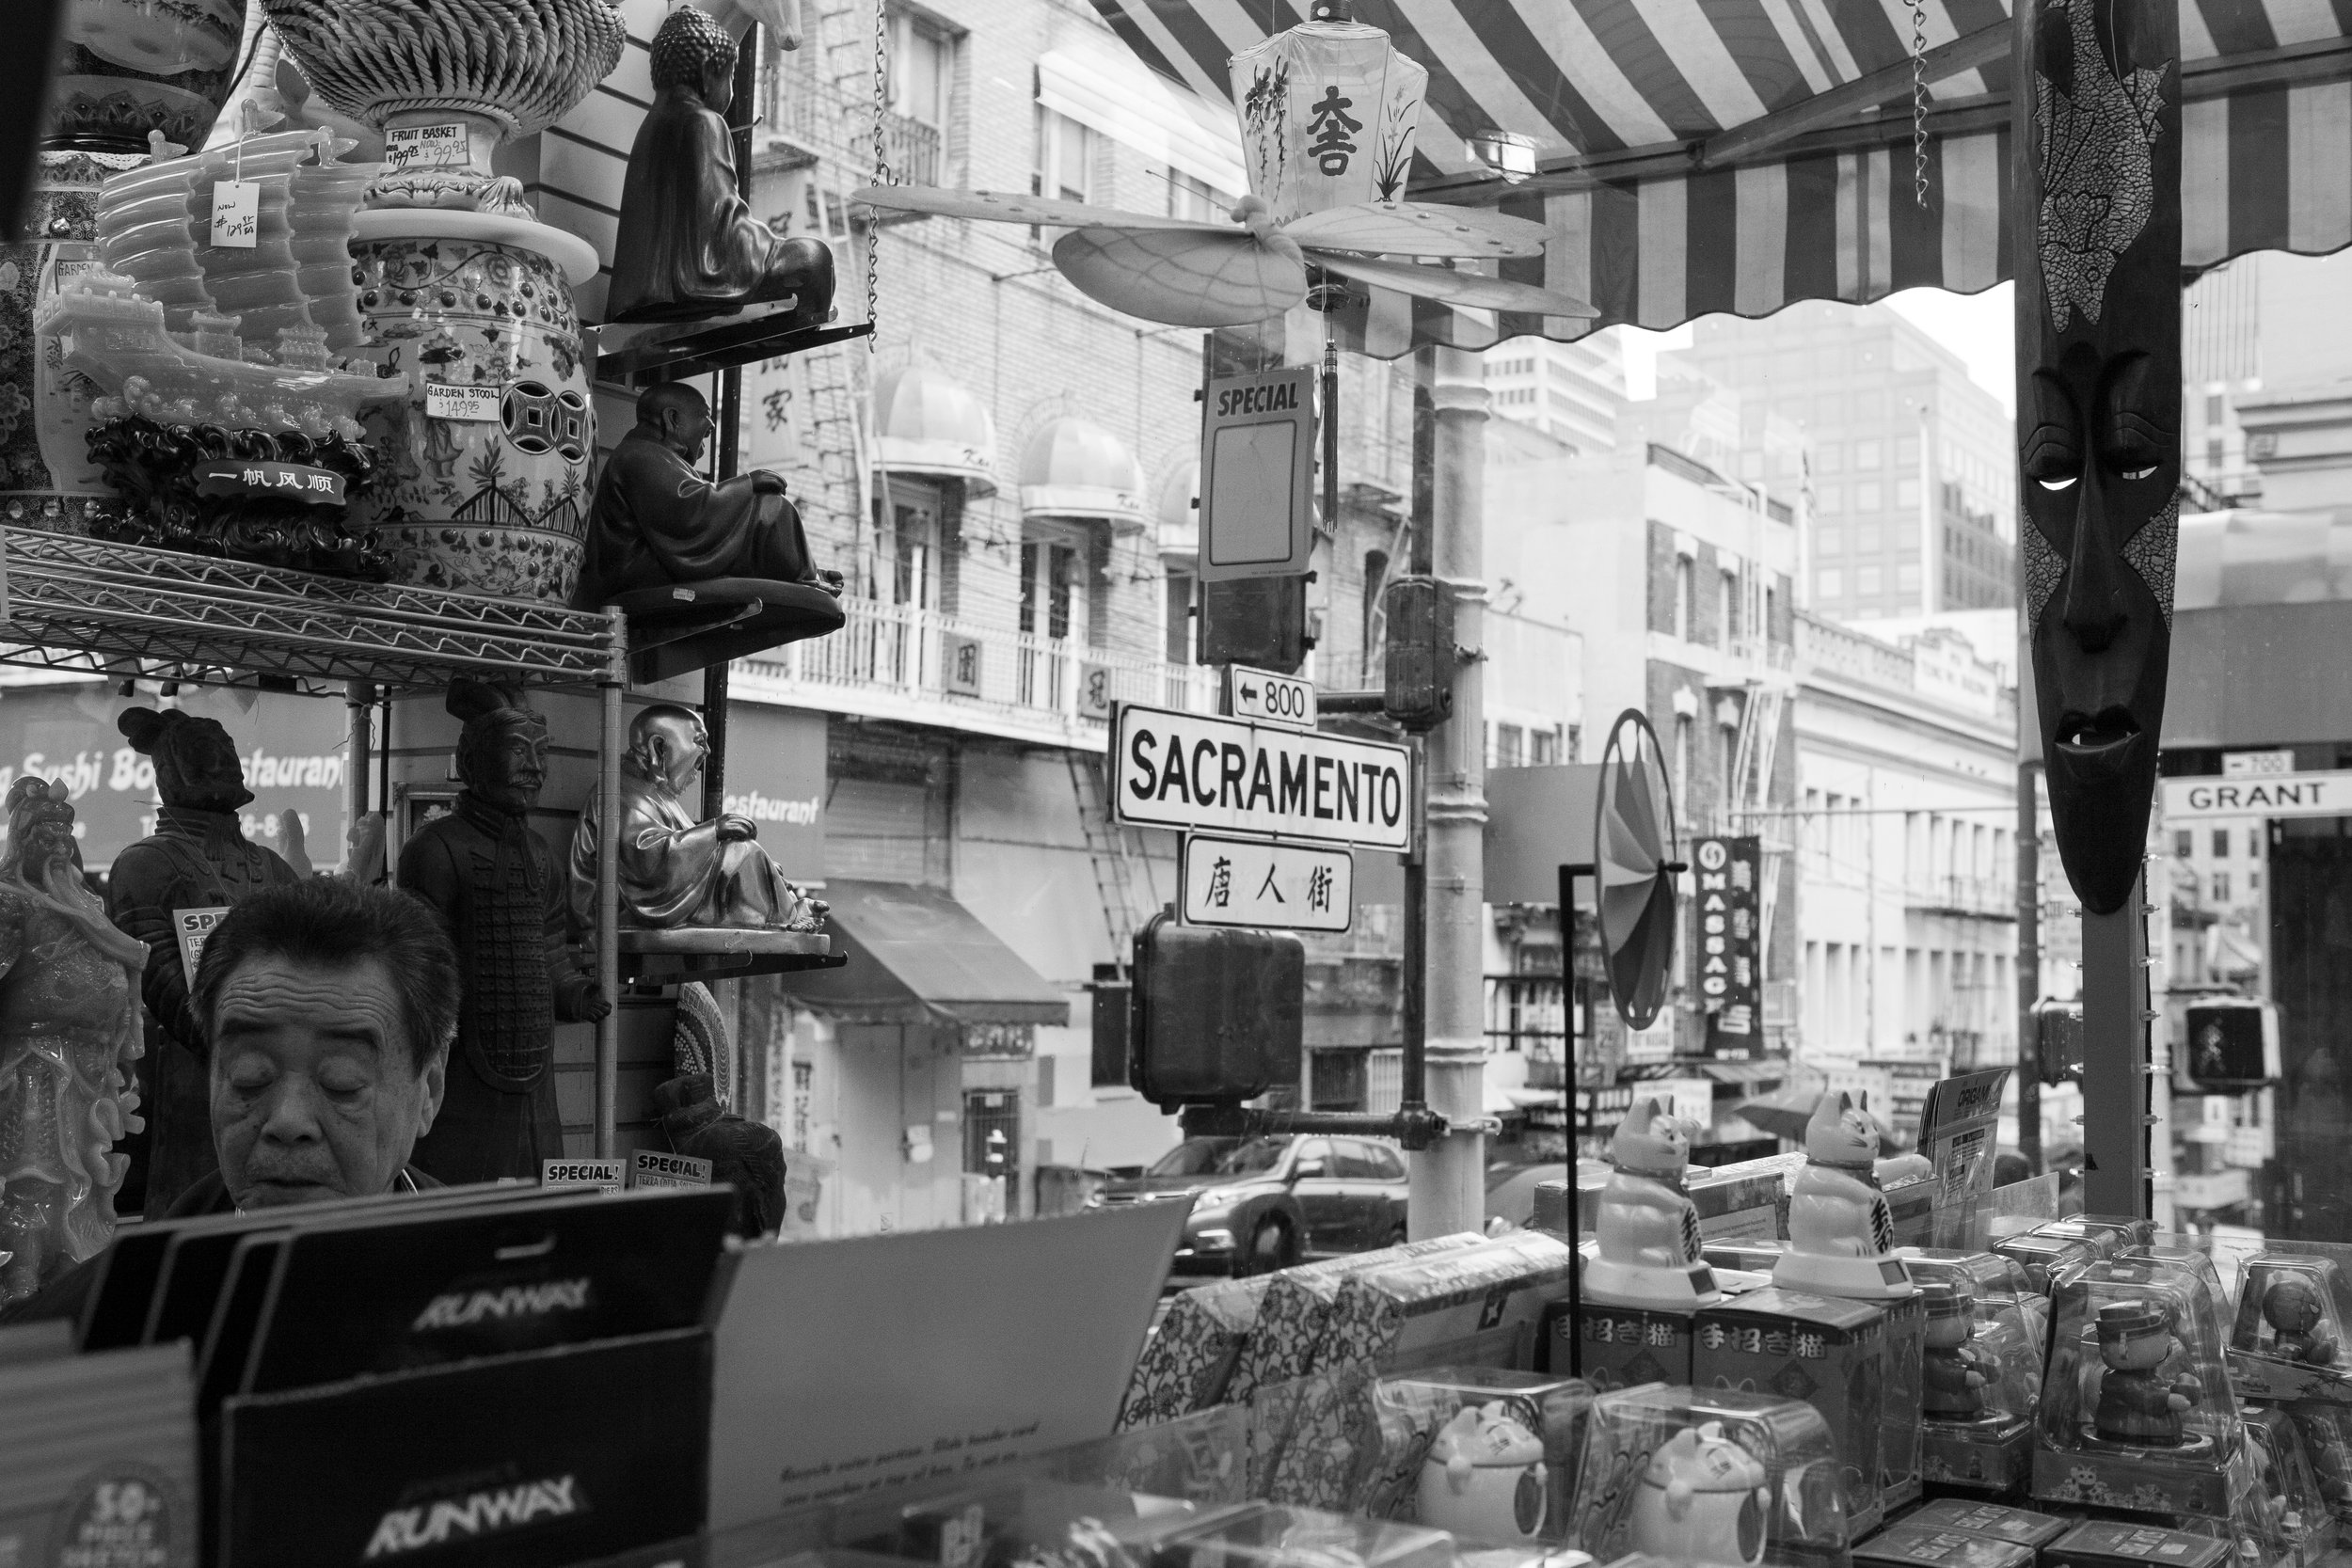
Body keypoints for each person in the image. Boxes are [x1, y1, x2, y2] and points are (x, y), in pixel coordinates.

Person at [0, 877, 457, 1323]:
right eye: (249, 1077)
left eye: (341, 1083)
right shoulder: (104, 1319)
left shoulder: (489, 1275)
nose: (287, 1121)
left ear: (429, 1091)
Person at [399, 680, 608, 1185]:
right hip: (460, 1069)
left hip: (533, 1065)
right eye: (517, 751)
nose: (534, 767)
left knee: (539, 1196)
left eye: (542, 753)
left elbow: (550, 949)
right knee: (456, 1197)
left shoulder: (540, 855)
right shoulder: (435, 849)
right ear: (471, 761)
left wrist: (574, 992)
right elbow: (421, 968)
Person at [104, 705, 301, 1217]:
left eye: (225, 751)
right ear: (173, 771)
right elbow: (156, 972)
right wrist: (234, 1037)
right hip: (193, 1073)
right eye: (203, 753)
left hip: (281, 1066)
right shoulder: (146, 862)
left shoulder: (271, 866)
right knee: (192, 1209)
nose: (220, 761)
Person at [605, 2, 834, 325]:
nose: (730, 89)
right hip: (694, 285)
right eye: (730, 75)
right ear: (707, 73)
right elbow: (725, 221)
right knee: (814, 258)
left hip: (635, 298)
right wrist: (769, 248)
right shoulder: (705, 122)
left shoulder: (650, 128)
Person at [573, 382, 840, 608]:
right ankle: (805, 577)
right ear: (673, 419)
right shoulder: (639, 455)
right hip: (634, 575)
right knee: (771, 508)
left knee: (766, 512)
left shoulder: (653, 455)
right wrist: (748, 484)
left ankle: (807, 574)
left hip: (659, 565)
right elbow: (687, 513)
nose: (705, 442)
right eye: (706, 428)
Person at [568, 704, 827, 934]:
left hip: (659, 895)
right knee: (743, 854)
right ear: (659, 748)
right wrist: (714, 831)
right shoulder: (623, 793)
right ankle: (787, 916)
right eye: (699, 741)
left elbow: (695, 856)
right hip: (618, 908)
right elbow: (650, 863)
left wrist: (764, 870)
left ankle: (787, 908)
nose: (707, 752)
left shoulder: (654, 791)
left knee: (750, 859)